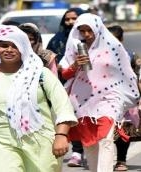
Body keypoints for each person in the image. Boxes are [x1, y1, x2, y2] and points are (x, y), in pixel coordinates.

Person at [0, 23, 78, 171]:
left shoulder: (41, 74)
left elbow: (63, 107)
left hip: (41, 141)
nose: (9, 50)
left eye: (15, 46)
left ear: (24, 47)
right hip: (0, 142)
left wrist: (61, 135)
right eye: (4, 45)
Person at [59, 13, 139, 172]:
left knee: (106, 139)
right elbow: (65, 75)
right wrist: (75, 65)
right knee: (90, 141)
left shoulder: (115, 47)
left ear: (98, 28)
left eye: (89, 30)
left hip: (110, 99)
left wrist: (132, 95)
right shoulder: (76, 48)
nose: (87, 34)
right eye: (82, 31)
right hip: (83, 100)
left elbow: (125, 73)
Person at [46, 7, 86, 167]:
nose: (70, 22)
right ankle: (76, 152)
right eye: (67, 19)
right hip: (65, 83)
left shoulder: (91, 38)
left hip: (93, 85)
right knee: (72, 116)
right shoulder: (58, 39)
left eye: (74, 18)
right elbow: (48, 57)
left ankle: (91, 149)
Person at [108, 25, 141, 171]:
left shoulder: (132, 56)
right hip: (105, 97)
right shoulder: (97, 55)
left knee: (124, 129)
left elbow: (138, 78)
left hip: (126, 98)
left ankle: (121, 160)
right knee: (106, 129)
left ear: (121, 39)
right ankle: (104, 159)